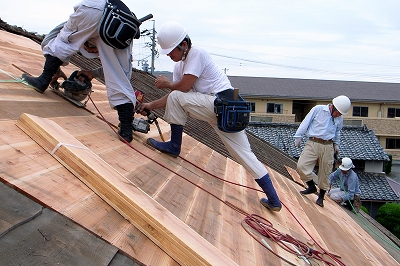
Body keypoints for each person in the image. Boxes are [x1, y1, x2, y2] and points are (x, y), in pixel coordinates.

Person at [138, 21, 282, 212]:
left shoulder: (197, 53)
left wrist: (168, 84)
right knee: (244, 153)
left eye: (171, 51)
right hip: (222, 109)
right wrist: (151, 105)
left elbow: (182, 88)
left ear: (183, 44)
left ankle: (174, 145)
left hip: (222, 105)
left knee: (244, 154)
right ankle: (274, 199)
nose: (169, 55)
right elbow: (176, 96)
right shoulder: (180, 68)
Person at [21, 0, 142, 143]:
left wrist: (51, 70)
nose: (90, 51)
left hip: (97, 9)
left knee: (64, 40)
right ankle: (126, 131)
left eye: (91, 49)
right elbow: (121, 77)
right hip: (126, 23)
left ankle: (42, 81)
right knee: (120, 78)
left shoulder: (88, 14)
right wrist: (58, 70)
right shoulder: (119, 33)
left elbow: (53, 41)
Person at [294, 95, 351, 207]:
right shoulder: (318, 109)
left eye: (340, 114)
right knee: (301, 166)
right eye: (338, 112)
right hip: (313, 142)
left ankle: (321, 196)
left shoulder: (339, 118)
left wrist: (336, 144)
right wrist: (298, 136)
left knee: (325, 171)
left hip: (328, 145)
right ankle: (311, 186)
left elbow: (338, 132)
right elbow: (306, 122)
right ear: (333, 107)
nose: (338, 115)